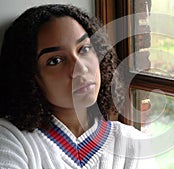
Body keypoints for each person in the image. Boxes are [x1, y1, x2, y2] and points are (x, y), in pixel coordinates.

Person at [0, 4, 156, 169]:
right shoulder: (11, 140)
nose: (80, 68)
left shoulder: (133, 144)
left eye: (85, 49)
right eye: (55, 61)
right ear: (30, 76)